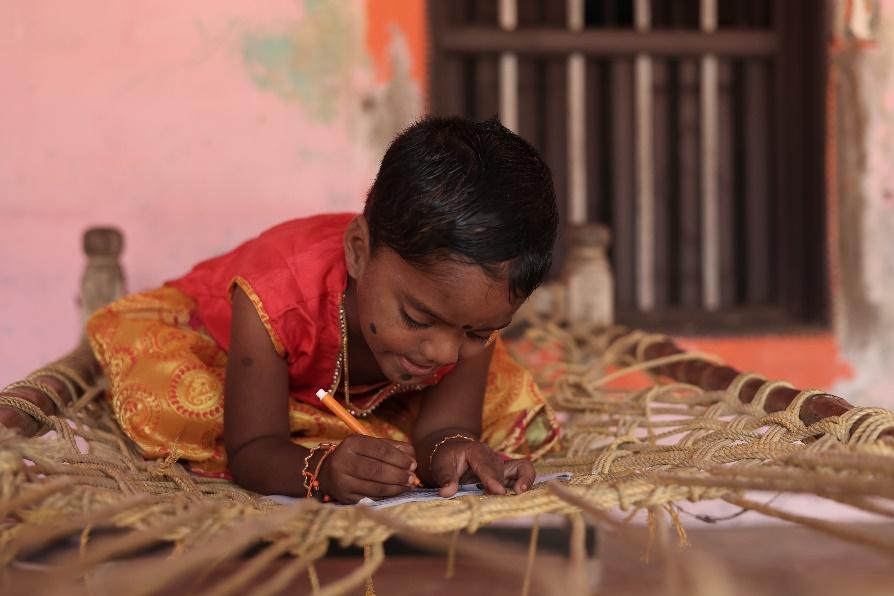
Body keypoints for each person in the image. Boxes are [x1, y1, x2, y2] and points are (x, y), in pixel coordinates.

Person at [86, 116, 560, 503]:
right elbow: (252, 449)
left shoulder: (461, 318)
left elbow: (445, 427)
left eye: (478, 332)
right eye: (417, 319)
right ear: (357, 251)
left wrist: (453, 451)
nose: (444, 352)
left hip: (340, 382)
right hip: (228, 351)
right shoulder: (273, 296)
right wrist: (323, 469)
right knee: (187, 400)